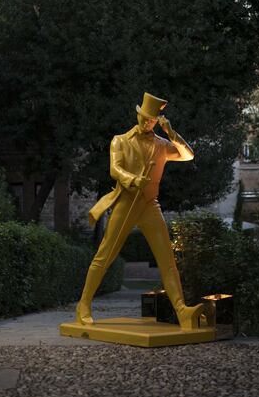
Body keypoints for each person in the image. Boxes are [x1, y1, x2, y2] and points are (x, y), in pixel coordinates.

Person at [76, 92, 204, 329]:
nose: (148, 123)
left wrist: (171, 132)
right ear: (138, 114)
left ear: (157, 121)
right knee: (105, 255)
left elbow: (188, 155)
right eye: (145, 118)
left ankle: (182, 311)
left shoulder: (162, 144)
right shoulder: (120, 141)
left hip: (150, 205)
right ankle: (83, 304)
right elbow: (115, 170)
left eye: (153, 120)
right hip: (127, 203)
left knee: (168, 260)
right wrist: (133, 180)